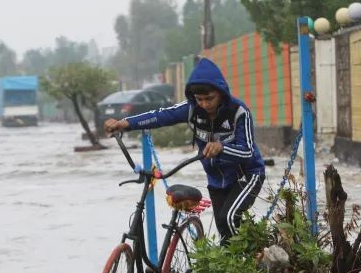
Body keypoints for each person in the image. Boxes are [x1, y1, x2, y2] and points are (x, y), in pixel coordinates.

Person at [105, 58, 265, 246]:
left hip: (247, 175)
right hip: (216, 180)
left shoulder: (239, 112)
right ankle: (239, 266)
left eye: (209, 98)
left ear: (221, 93)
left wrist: (222, 148)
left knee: (229, 218)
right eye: (200, 99)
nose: (204, 104)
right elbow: (160, 115)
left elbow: (247, 151)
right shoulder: (191, 110)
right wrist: (124, 123)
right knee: (224, 231)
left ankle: (247, 264)